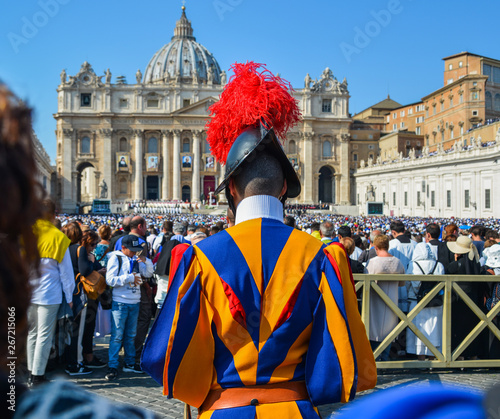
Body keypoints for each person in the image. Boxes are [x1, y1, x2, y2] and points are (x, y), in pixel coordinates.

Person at [141, 62, 375, 417]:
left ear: (230, 188)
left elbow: (166, 356)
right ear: (284, 188)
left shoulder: (197, 258)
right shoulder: (325, 256)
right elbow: (349, 360)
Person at [28, 199, 74, 386]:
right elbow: (66, 274)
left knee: (32, 334)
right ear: (54, 214)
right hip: (49, 294)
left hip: (28, 292)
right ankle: (37, 376)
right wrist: (70, 297)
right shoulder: (58, 237)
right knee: (44, 335)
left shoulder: (26, 234)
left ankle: (32, 372)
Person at [105, 235, 153, 381]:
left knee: (131, 335)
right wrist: (128, 278)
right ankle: (112, 364)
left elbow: (148, 273)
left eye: (136, 250)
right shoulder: (116, 258)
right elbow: (110, 279)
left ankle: (129, 363)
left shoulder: (135, 259)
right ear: (123, 248)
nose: (134, 253)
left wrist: (146, 261)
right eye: (131, 250)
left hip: (135, 300)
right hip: (120, 301)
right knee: (117, 335)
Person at [447, 236, 487, 359]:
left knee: (458, 328)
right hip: (474, 299)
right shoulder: (476, 264)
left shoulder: (455, 265)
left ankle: (459, 355)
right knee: (473, 327)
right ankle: (473, 355)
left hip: (458, 301)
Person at [367, 234, 405, 361]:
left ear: (376, 247)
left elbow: (365, 282)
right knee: (389, 331)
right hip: (392, 300)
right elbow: (402, 283)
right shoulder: (398, 262)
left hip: (375, 301)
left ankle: (375, 358)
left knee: (374, 330)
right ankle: (385, 356)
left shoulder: (373, 262)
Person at [405, 242, 445, 360]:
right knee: (434, 329)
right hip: (435, 302)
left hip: (416, 301)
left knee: (418, 329)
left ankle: (420, 358)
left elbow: (408, 284)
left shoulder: (413, 265)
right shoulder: (439, 265)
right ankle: (432, 356)